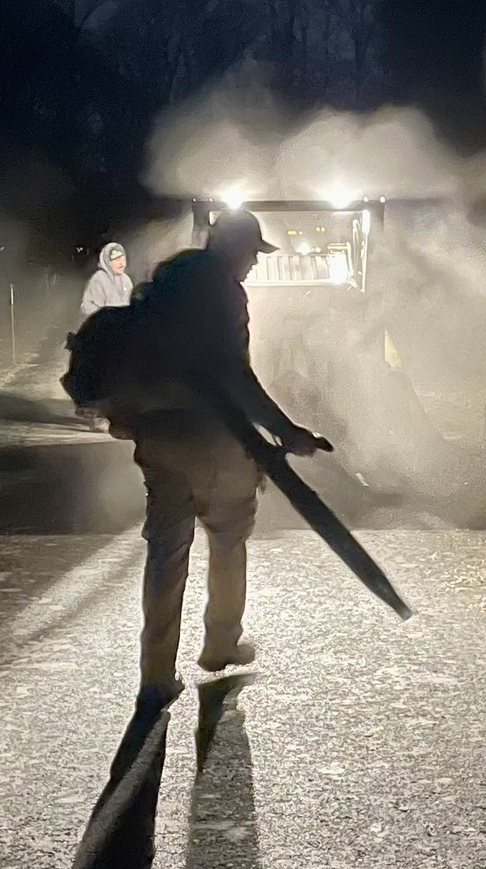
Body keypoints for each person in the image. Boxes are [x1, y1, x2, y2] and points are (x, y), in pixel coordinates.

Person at [111, 209, 327, 710]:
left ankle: (156, 674)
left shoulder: (165, 282)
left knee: (166, 552)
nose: (253, 263)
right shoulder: (225, 293)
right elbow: (235, 378)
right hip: (211, 438)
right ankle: (220, 643)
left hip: (158, 438)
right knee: (228, 537)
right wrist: (286, 432)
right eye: (252, 252)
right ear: (233, 247)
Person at [79, 241, 133, 321]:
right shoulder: (99, 279)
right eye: (116, 259)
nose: (121, 263)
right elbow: (87, 307)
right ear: (107, 262)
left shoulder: (126, 280)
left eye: (122, 258)